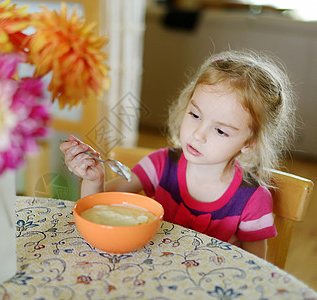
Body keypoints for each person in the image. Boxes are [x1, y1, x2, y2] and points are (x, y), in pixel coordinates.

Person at [60, 49, 296, 259]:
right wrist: (94, 179)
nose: (198, 135)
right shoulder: (160, 165)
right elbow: (94, 209)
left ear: (250, 142)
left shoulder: (252, 200)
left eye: (221, 130)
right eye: (195, 115)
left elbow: (254, 269)